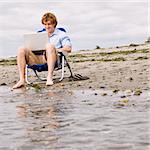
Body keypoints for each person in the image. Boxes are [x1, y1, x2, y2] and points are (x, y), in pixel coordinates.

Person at [13, 12, 72, 89]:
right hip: (38, 59)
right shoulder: (40, 34)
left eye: (49, 24)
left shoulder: (61, 34)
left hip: (54, 59)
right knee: (21, 49)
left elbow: (68, 48)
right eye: (45, 24)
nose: (47, 27)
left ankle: (49, 77)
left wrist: (54, 49)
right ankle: (21, 80)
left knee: (49, 46)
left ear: (54, 24)